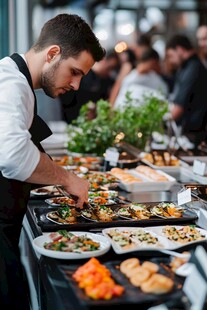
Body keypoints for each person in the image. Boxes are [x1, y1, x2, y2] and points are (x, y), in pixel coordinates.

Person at [0, 13, 105, 309]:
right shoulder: (10, 83)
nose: (76, 85)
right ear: (53, 53)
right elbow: (14, 157)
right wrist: (68, 178)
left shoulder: (18, 81)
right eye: (74, 72)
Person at [166, 34, 207, 145]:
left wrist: (162, 124)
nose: (171, 60)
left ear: (179, 49)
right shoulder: (187, 67)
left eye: (171, 55)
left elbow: (179, 106)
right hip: (190, 132)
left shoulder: (193, 68)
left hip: (194, 135)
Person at [59, 48, 119, 123]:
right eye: (109, 68)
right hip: (70, 117)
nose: (110, 72)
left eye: (112, 69)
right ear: (103, 60)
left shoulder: (107, 81)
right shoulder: (83, 73)